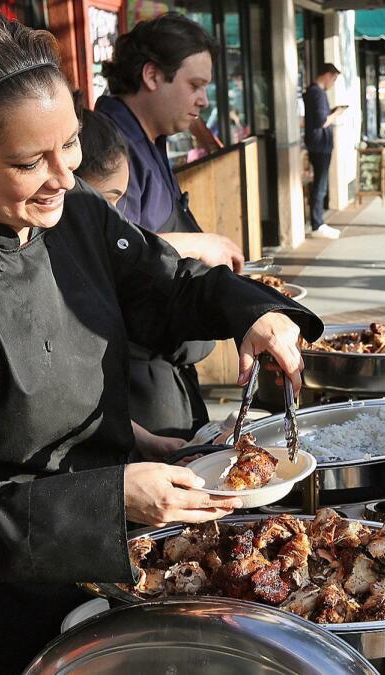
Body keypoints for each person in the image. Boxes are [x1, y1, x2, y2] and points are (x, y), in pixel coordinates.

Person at [0, 14, 322, 673]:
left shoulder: (73, 214)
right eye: (28, 163)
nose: (64, 177)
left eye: (69, 146)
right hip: (0, 612)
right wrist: (108, 499)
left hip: (112, 571)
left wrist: (253, 312)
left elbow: (165, 285)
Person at [95, 14, 238, 441]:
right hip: (135, 374)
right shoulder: (108, 144)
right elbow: (104, 248)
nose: (204, 100)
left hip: (168, 362)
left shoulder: (149, 138)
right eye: (195, 85)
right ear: (152, 75)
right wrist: (199, 243)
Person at [303, 63, 348, 240]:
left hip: (317, 144)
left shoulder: (311, 92)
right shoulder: (318, 93)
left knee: (319, 185)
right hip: (320, 145)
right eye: (334, 79)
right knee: (320, 185)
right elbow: (322, 120)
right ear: (327, 75)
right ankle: (317, 223)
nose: (333, 83)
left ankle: (318, 221)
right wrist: (337, 113)